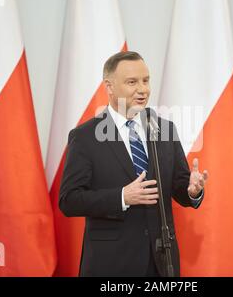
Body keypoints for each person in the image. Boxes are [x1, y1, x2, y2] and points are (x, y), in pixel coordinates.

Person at [59, 51, 208, 277]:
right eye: (132, 82)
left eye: (146, 80)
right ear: (109, 87)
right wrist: (121, 197)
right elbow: (69, 200)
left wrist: (192, 190)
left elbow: (179, 187)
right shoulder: (85, 136)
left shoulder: (165, 129)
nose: (143, 89)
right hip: (111, 265)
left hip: (161, 263)